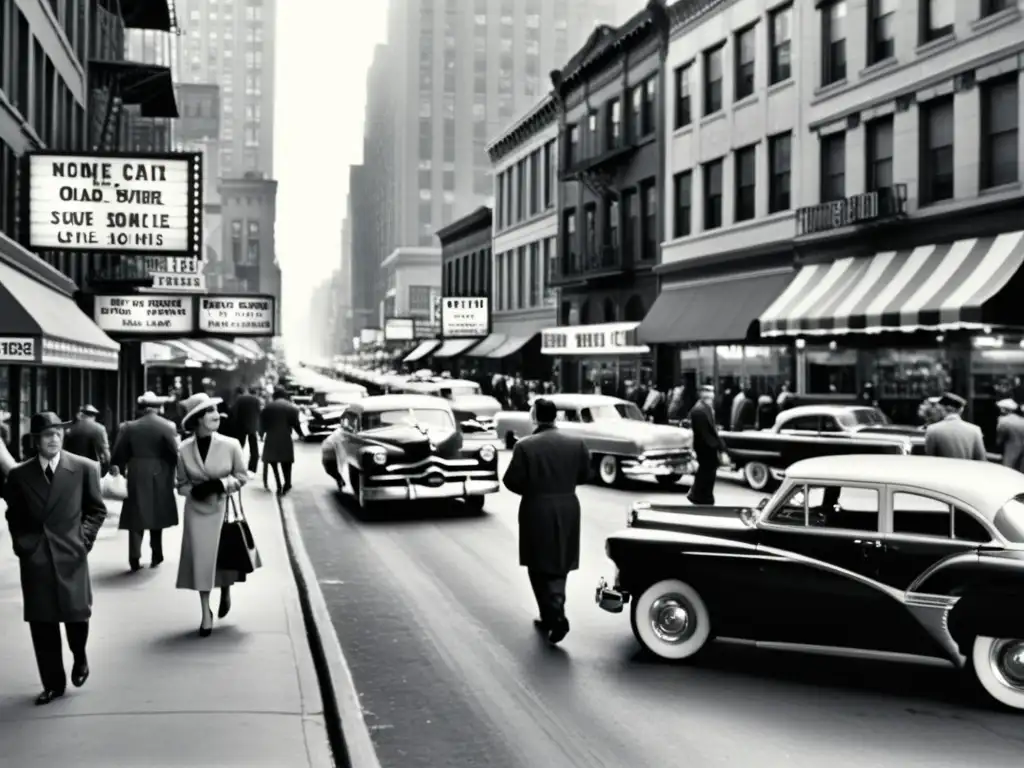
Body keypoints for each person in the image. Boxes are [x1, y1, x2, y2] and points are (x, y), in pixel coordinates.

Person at [3, 412, 107, 705]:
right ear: (36, 441)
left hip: (72, 553)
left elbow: (96, 510)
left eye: (58, 433)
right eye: (47, 435)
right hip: (36, 558)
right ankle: (52, 683)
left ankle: (80, 655)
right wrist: (24, 545)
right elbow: (14, 514)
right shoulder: (20, 475)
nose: (54, 439)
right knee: (42, 622)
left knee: (77, 615)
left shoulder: (85, 468)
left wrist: (83, 540)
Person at [501, 397, 590, 645]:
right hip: (568, 506)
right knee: (560, 560)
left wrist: (535, 487)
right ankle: (553, 609)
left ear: (534, 416)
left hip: (536, 507)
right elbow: (585, 475)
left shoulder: (525, 446)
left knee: (537, 561)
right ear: (555, 417)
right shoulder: (576, 443)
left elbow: (511, 481)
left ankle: (552, 613)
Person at [175, 393, 249, 637]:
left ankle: (226, 588)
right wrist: (194, 491)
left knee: (223, 557)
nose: (216, 415)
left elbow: (241, 477)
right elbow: (181, 485)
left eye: (216, 409)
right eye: (209, 411)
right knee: (201, 564)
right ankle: (205, 612)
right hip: (196, 513)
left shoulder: (231, 445)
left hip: (223, 509)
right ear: (197, 419)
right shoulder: (183, 449)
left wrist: (220, 485)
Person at [110, 392, 180, 572]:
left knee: (136, 515)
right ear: (157, 408)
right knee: (157, 513)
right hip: (160, 472)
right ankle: (157, 553)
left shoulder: (129, 427)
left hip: (136, 473)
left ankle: (134, 557)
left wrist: (118, 467)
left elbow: (118, 453)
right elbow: (174, 454)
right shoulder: (167, 426)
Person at [259, 387, 302, 494]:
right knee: (286, 463)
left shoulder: (267, 408)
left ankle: (278, 484)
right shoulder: (292, 408)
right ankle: (287, 483)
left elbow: (262, 424)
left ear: (274, 397)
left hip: (271, 438)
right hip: (285, 437)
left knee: (273, 463)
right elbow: (295, 424)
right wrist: (301, 434)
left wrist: (261, 435)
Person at [924, 392, 987, 461]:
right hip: (968, 471)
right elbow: (981, 459)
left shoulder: (932, 429)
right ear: (961, 410)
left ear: (942, 409)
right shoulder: (975, 430)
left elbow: (930, 459)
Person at [688, 385, 723, 504]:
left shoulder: (706, 408)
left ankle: (699, 495)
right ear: (701, 394)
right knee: (706, 472)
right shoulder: (699, 410)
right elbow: (704, 433)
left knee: (706, 472)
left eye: (711, 391)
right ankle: (702, 496)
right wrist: (716, 446)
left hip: (707, 447)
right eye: (707, 391)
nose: (710, 395)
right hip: (705, 448)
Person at [64, 405, 111, 474]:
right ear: (94, 416)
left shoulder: (71, 429)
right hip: (93, 466)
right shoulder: (100, 428)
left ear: (82, 414)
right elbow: (106, 452)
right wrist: (108, 465)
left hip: (72, 465)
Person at [230, 385, 264, 473]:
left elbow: (234, 412)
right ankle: (252, 469)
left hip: (241, 426)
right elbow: (259, 413)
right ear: (256, 392)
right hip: (252, 426)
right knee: (254, 448)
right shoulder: (257, 400)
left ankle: (237, 466)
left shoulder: (240, 399)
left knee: (239, 447)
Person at [995, 398, 1024, 472]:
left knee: (1007, 471)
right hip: (1021, 452)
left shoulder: (1003, 420)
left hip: (1010, 451)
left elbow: (999, 440)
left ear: (1004, 409)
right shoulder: (1022, 420)